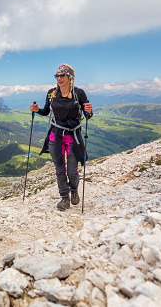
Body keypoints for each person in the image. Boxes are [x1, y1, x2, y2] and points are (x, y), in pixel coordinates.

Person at [30, 64, 93, 211]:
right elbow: (46, 111)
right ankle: (64, 198)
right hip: (55, 135)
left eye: (62, 76)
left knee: (72, 169)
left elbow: (87, 114)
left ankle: (74, 190)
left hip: (72, 135)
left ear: (70, 77)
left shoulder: (79, 93)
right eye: (57, 76)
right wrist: (37, 110)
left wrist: (89, 111)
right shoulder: (51, 94)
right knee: (59, 168)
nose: (58, 78)